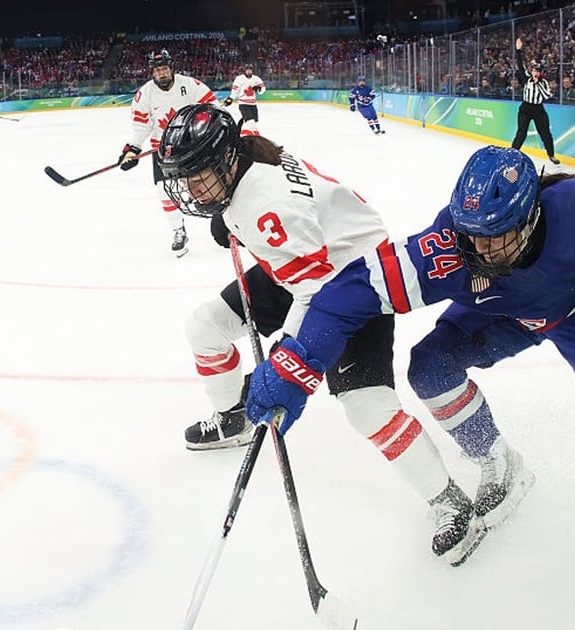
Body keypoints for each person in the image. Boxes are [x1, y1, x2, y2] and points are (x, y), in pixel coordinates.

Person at [244, 146, 575, 578]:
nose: (478, 248)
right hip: (503, 311)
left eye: (494, 235)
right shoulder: (449, 246)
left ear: (529, 218)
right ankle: (498, 462)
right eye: (471, 233)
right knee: (430, 367)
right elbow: (348, 294)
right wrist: (297, 362)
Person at [157, 103, 485, 565]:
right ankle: (234, 417)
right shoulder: (248, 162)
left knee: (367, 408)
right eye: (184, 178)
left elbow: (314, 297)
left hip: (357, 277)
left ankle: (450, 501)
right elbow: (298, 263)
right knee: (205, 327)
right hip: (307, 262)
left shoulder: (264, 206)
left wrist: (285, 358)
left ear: (227, 160)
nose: (189, 190)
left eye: (198, 177)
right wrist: (224, 211)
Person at [117, 49, 219, 257]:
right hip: (164, 151)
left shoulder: (190, 85)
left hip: (192, 146)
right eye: (157, 70)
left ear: (171, 68)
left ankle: (225, 223)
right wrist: (131, 150)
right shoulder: (144, 94)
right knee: (165, 192)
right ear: (152, 73)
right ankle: (178, 230)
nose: (161, 73)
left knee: (212, 185)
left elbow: (212, 107)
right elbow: (141, 128)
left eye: (164, 69)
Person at [510, 37, 559, 164]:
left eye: (538, 71)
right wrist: (518, 50)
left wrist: (538, 84)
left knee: (545, 133)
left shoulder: (544, 83)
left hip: (538, 108)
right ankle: (512, 153)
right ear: (531, 71)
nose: (536, 73)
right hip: (526, 108)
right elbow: (519, 65)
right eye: (534, 70)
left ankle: (551, 154)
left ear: (541, 73)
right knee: (521, 132)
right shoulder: (526, 79)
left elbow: (546, 95)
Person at [223, 63, 265, 136]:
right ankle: (253, 137)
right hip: (243, 104)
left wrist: (259, 89)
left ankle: (246, 135)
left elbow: (263, 89)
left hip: (253, 104)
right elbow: (235, 90)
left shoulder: (256, 79)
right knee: (250, 122)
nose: (249, 72)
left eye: (250, 70)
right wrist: (230, 98)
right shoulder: (239, 79)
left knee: (254, 122)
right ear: (244, 70)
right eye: (247, 70)